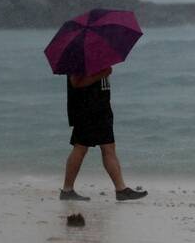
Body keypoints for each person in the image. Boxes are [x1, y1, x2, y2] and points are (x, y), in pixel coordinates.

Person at [60, 66, 147, 201]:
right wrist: (102, 74)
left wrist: (103, 72)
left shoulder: (98, 55)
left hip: (102, 109)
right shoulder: (79, 56)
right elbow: (75, 82)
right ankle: (67, 190)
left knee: (108, 148)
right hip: (86, 109)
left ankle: (121, 189)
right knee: (80, 147)